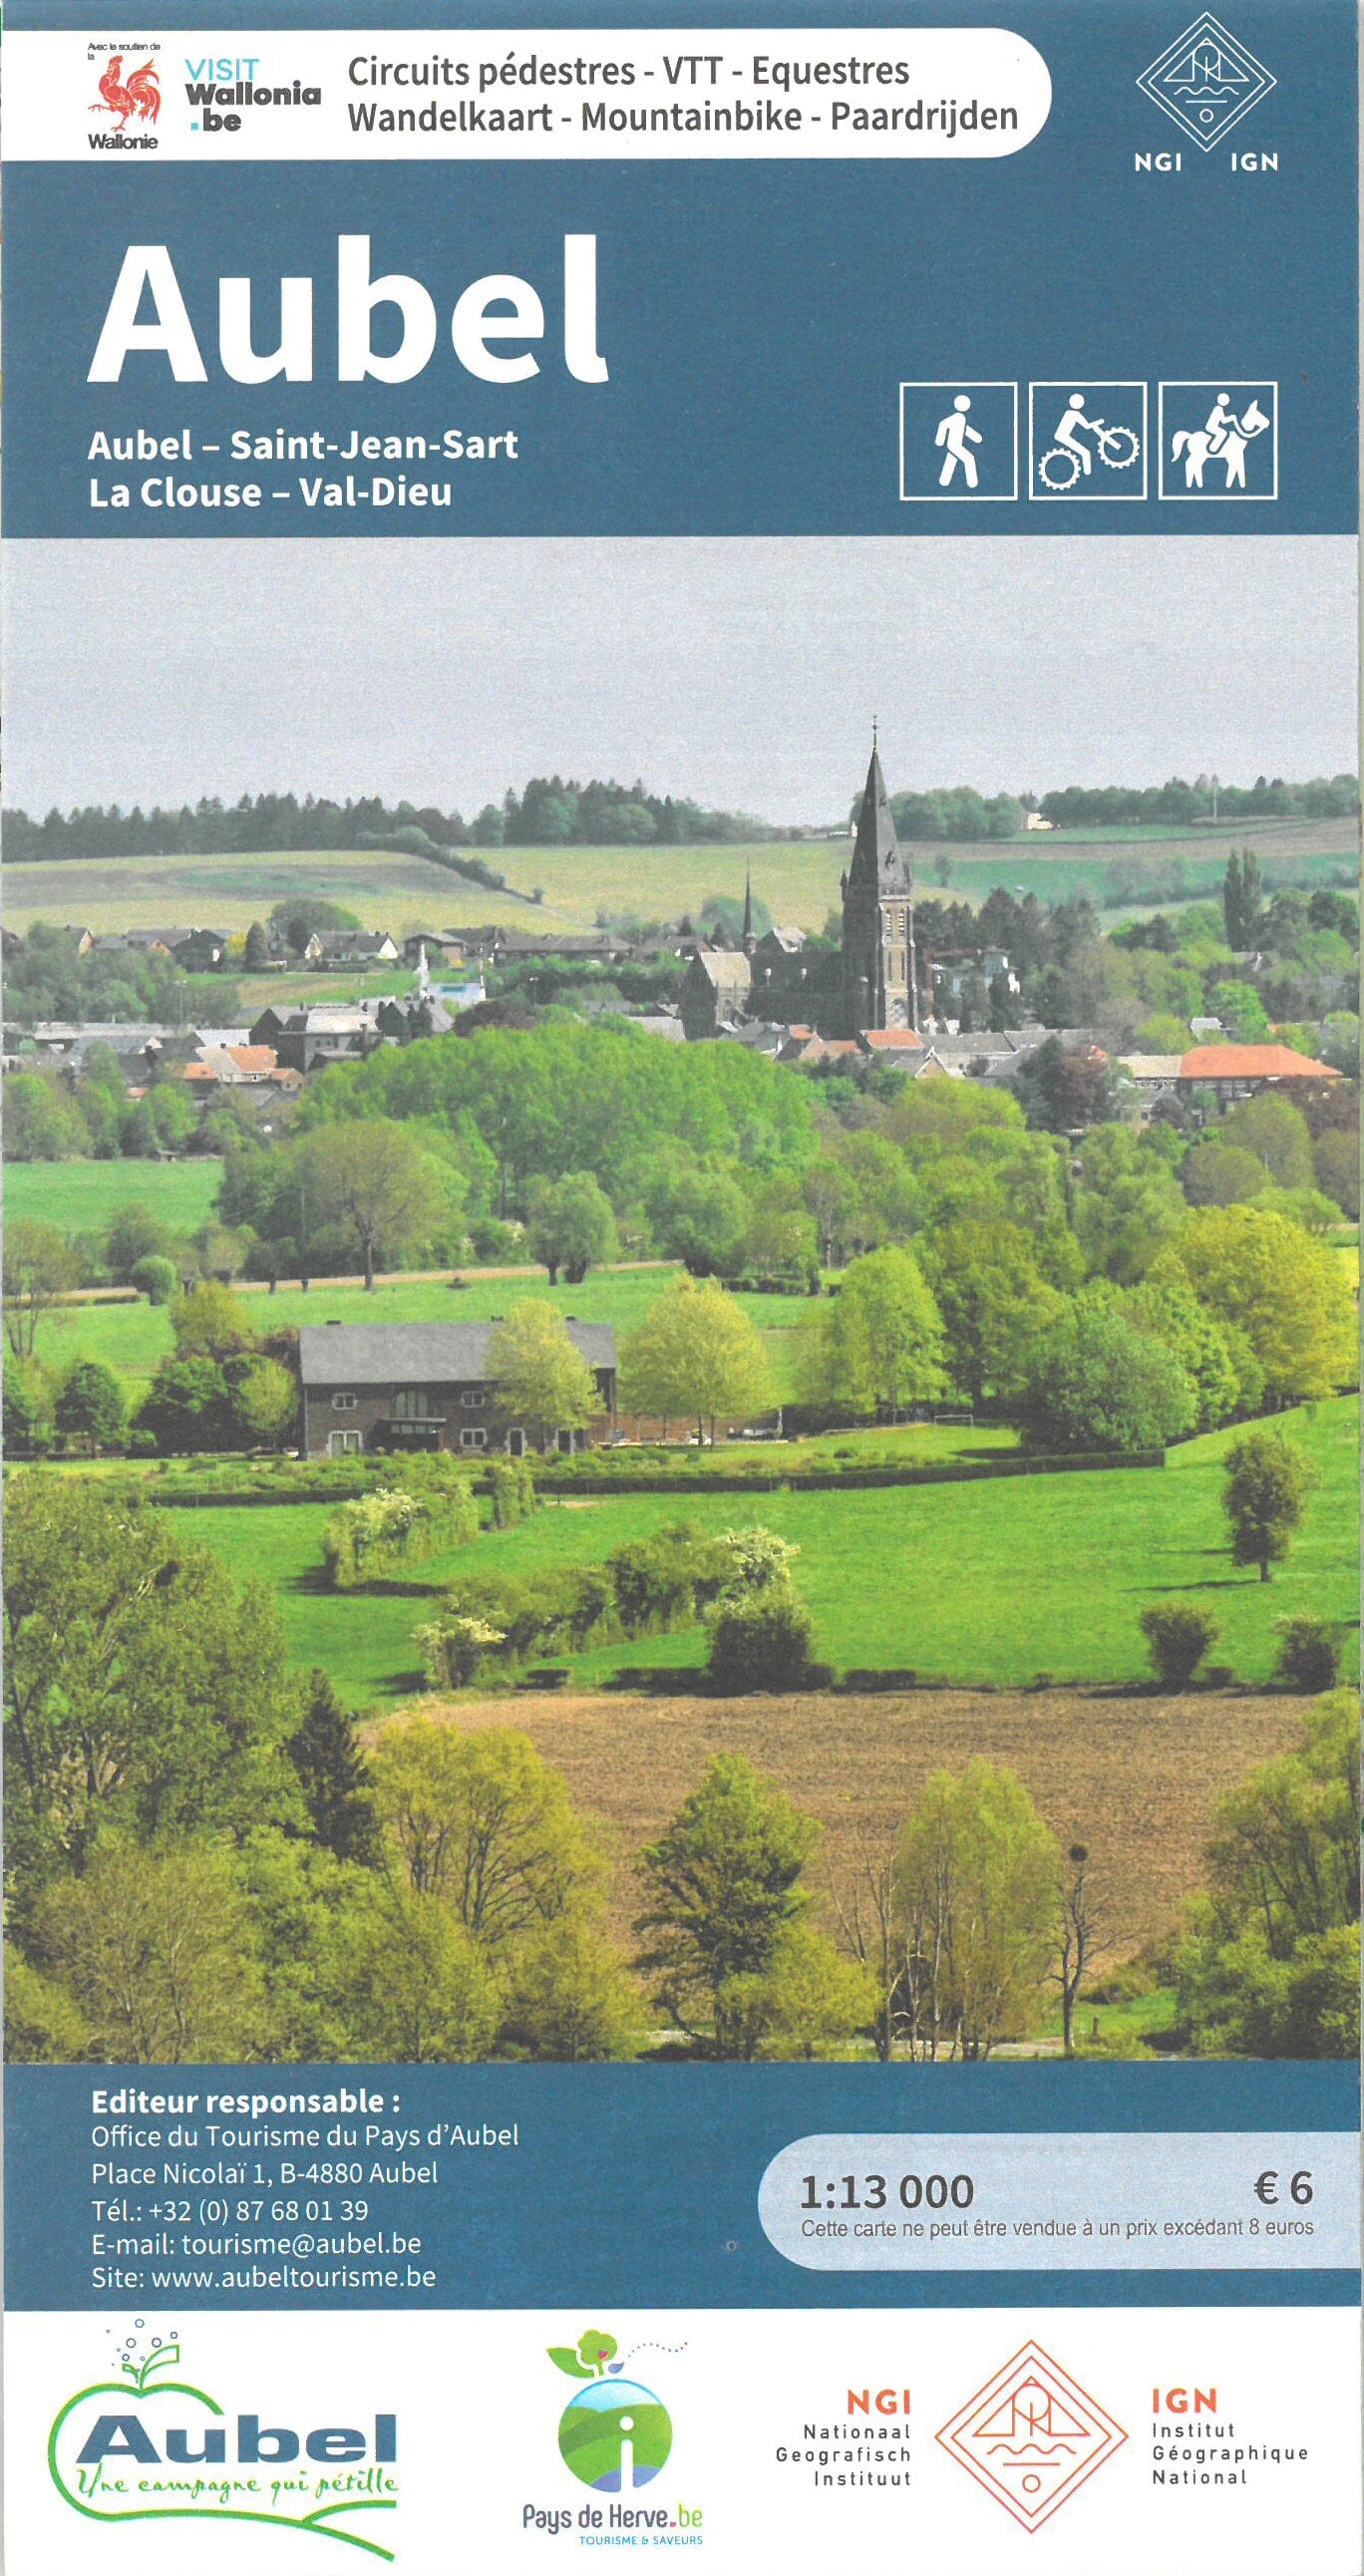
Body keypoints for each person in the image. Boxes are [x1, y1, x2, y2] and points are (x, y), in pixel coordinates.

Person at [934, 393, 983, 488]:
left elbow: (964, 430)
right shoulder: (956, 417)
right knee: (969, 459)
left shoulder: (961, 418)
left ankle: (944, 481)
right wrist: (939, 441)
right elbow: (943, 424)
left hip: (954, 446)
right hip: (954, 445)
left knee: (951, 459)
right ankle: (972, 484)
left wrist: (976, 438)